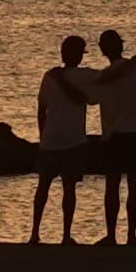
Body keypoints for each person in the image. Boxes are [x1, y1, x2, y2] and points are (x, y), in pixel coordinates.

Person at [29, 34, 102, 245]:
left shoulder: (49, 76)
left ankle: (35, 233)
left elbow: (41, 109)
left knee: (43, 186)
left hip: (51, 139)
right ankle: (66, 234)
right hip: (73, 140)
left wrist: (42, 135)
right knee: (68, 188)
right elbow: (92, 97)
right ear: (79, 56)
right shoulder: (85, 76)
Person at [92, 27, 136, 245]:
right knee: (134, 185)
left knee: (112, 186)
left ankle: (112, 235)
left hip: (115, 135)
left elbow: (92, 97)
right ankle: (130, 235)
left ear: (103, 50)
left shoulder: (103, 77)